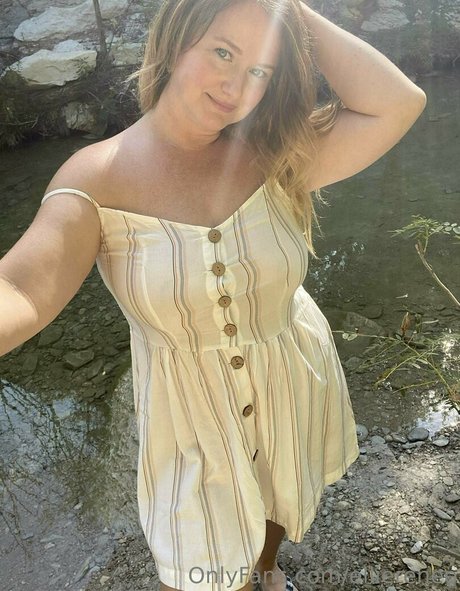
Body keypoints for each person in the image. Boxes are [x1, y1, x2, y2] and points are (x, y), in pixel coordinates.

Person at [0, 0, 426, 590]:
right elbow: (21, 287)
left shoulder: (277, 152)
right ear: (176, 42)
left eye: (259, 71)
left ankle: (268, 571)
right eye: (222, 52)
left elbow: (398, 103)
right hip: (187, 414)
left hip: (287, 372)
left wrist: (287, 9)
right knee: (199, 573)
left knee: (276, 495)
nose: (235, 86)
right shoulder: (94, 178)